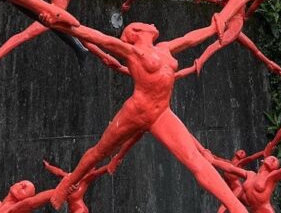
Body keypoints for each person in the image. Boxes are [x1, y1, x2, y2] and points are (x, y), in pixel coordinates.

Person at [45, 19, 249, 213]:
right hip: (137, 110)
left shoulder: (165, 48)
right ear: (136, 32)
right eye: (145, 24)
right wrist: (58, 22)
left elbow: (190, 38)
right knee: (99, 152)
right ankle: (69, 182)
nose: (152, 24)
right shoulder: (132, 51)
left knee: (196, 160)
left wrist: (216, 25)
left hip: (161, 113)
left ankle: (236, 207)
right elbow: (97, 37)